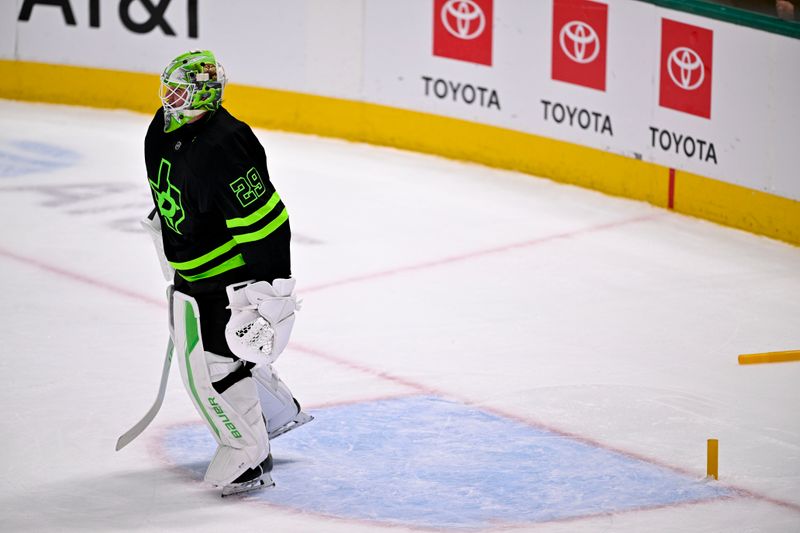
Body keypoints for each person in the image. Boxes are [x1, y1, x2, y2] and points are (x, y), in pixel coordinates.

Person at [142, 50, 313, 496]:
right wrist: (167, 239)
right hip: (192, 271)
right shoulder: (161, 129)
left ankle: (248, 456)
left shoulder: (225, 144)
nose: (168, 97)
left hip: (225, 278)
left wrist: (271, 290)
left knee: (210, 367)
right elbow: (170, 193)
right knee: (214, 352)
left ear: (206, 96)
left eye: (180, 90)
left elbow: (266, 221)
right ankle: (274, 412)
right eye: (168, 86)